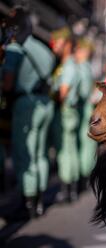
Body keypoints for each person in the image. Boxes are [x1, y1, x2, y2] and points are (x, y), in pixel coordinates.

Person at [1, 7, 55, 217]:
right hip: (45, 102)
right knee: (40, 153)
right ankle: (40, 201)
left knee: (25, 154)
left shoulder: (15, 48)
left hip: (26, 103)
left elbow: (7, 84)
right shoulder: (43, 49)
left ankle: (27, 203)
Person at [49, 27, 81, 202]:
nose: (55, 45)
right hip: (71, 111)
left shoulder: (68, 65)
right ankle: (72, 188)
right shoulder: (69, 64)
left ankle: (66, 190)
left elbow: (63, 92)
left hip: (65, 111)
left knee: (64, 151)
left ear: (67, 44)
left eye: (59, 41)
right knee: (71, 149)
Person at [74, 38, 96, 190]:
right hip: (89, 107)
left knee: (82, 143)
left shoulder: (81, 67)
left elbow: (80, 91)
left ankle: (82, 177)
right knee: (88, 143)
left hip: (83, 107)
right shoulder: (89, 67)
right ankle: (87, 175)